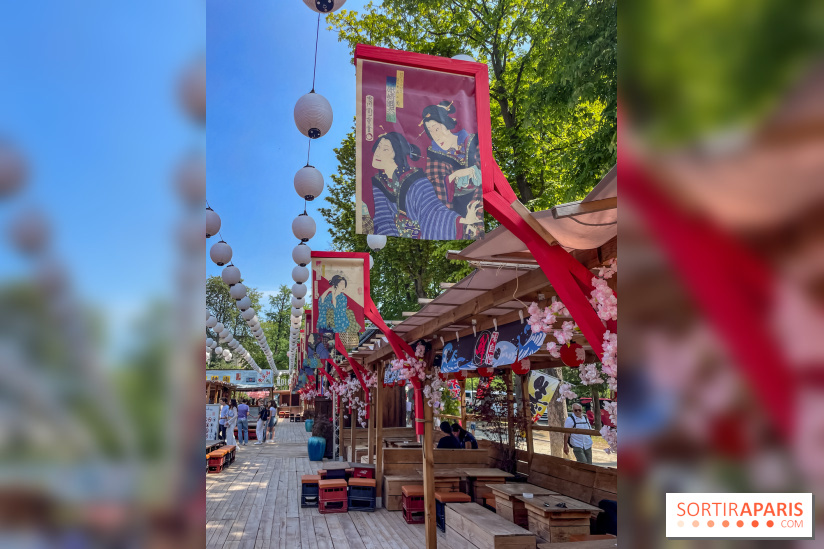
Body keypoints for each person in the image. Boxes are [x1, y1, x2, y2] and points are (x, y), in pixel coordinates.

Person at [369, 132, 482, 240]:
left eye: (385, 149)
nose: (378, 153)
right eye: (378, 147)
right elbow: (382, 217)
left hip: (420, 236)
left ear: (397, 153)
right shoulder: (379, 182)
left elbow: (433, 210)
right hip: (398, 241)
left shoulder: (416, 180)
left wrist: (462, 221)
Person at [420, 100, 484, 237]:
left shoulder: (472, 141)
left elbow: (483, 177)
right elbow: (433, 188)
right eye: (430, 131)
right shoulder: (433, 154)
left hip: (477, 201)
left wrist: (475, 207)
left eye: (437, 128)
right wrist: (455, 175)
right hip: (453, 210)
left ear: (446, 123)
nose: (435, 135)